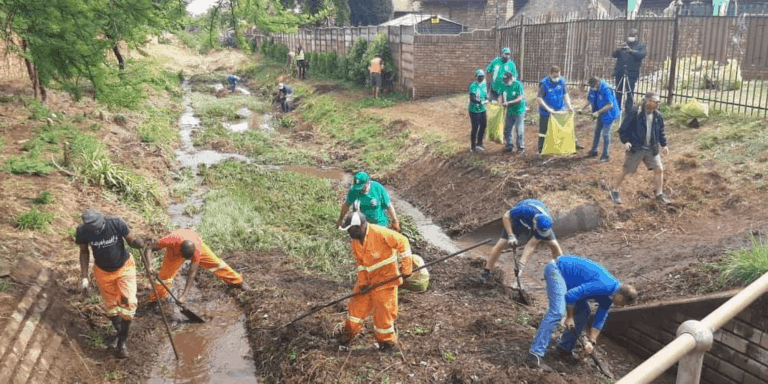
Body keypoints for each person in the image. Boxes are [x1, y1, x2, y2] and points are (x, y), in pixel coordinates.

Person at [336, 212, 413, 350]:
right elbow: (361, 264)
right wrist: (364, 283)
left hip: (386, 280)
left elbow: (403, 242)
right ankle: (348, 334)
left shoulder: (380, 233)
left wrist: (406, 268)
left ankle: (387, 343)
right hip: (367, 282)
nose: (348, 232)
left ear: (360, 227)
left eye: (350, 229)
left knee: (384, 313)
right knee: (355, 308)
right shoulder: (355, 242)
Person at [76, 210, 145, 358]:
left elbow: (130, 238)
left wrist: (136, 242)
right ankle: (121, 333)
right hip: (103, 272)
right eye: (94, 229)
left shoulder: (116, 222)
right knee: (111, 307)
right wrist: (84, 277)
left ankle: (122, 342)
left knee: (129, 302)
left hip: (124, 268)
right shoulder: (82, 231)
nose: (98, 230)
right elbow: (83, 252)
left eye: (99, 227)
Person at [549, 256, 637, 364]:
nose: (621, 306)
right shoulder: (605, 285)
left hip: (573, 285)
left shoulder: (610, 295)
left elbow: (600, 317)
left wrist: (591, 341)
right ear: (620, 297)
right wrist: (569, 317)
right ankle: (543, 346)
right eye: (622, 304)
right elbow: (571, 295)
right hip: (559, 271)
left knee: (584, 311)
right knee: (559, 309)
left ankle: (563, 349)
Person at [145, 229, 248, 305]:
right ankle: (156, 299)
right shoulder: (170, 241)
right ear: (180, 251)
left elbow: (192, 273)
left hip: (193, 244)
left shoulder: (197, 249)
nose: (188, 260)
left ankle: (238, 281)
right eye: (186, 258)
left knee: (216, 264)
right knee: (165, 276)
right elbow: (149, 248)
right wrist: (149, 266)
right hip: (174, 252)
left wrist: (184, 296)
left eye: (190, 258)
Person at [477, 199, 563, 282]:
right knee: (501, 243)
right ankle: (486, 271)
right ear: (535, 222)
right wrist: (511, 235)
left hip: (538, 223)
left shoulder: (546, 223)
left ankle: (562, 272)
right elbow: (506, 216)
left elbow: (531, 245)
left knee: (554, 245)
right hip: (519, 221)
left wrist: (521, 265)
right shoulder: (524, 210)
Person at [610, 91, 670, 205]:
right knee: (626, 170)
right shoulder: (634, 112)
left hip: (651, 148)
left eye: (658, 102)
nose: (657, 104)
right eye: (655, 102)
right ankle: (615, 190)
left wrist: (664, 145)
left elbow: (661, 131)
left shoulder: (658, 116)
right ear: (647, 101)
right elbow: (623, 129)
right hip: (636, 148)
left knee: (659, 169)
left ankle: (659, 195)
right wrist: (626, 141)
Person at [581, 76, 621, 162]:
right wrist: (582, 108)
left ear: (597, 83)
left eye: (593, 86)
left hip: (610, 113)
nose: (592, 88)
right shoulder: (593, 88)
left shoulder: (606, 89)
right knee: (597, 131)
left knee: (605, 134)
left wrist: (597, 112)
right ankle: (594, 150)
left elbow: (610, 105)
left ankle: (606, 155)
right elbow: (590, 99)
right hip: (601, 112)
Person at [537, 65, 576, 153]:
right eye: (555, 76)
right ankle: (541, 148)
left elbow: (565, 94)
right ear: (550, 74)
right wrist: (548, 109)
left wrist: (569, 106)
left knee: (559, 129)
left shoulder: (562, 81)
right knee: (544, 131)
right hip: (546, 112)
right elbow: (539, 98)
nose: (557, 78)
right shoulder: (544, 84)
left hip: (559, 111)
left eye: (558, 75)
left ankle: (558, 147)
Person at [613, 29, 647, 113]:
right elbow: (614, 55)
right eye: (630, 36)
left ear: (636, 36)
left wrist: (631, 51)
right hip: (620, 71)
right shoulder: (624, 44)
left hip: (632, 72)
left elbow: (642, 55)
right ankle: (617, 108)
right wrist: (619, 50)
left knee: (629, 91)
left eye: (632, 36)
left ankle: (629, 110)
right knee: (618, 91)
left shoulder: (640, 46)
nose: (630, 38)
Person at [500, 71, 526, 154]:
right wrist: (501, 102)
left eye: (507, 80)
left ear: (511, 79)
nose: (506, 82)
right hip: (510, 110)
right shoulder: (504, 86)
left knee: (519, 128)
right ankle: (509, 146)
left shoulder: (518, 85)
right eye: (504, 80)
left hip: (519, 110)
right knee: (508, 128)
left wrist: (508, 103)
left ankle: (520, 147)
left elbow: (519, 98)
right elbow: (502, 96)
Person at [468, 69, 488, 152]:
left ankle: (479, 143)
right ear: (476, 77)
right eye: (479, 77)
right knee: (475, 127)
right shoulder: (473, 86)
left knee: (483, 125)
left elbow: (486, 96)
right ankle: (473, 146)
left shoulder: (484, 86)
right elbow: (472, 98)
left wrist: (487, 100)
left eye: (482, 77)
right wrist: (479, 102)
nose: (481, 78)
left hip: (482, 109)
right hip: (474, 110)